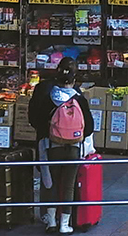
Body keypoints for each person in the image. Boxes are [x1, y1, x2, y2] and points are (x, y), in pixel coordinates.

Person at [28, 57, 95, 233]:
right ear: (75, 78)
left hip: (51, 146)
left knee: (51, 183)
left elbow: (35, 120)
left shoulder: (48, 96)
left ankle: (51, 222)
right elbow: (89, 127)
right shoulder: (79, 98)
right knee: (68, 185)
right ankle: (65, 224)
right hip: (73, 148)